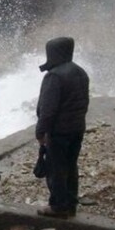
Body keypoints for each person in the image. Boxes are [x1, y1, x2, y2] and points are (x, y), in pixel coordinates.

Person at [35, 37, 90, 218]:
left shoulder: (54, 76)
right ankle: (71, 203)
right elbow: (84, 102)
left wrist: (41, 131)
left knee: (56, 168)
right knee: (71, 166)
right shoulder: (81, 72)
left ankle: (58, 206)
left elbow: (48, 109)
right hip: (77, 128)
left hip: (59, 132)